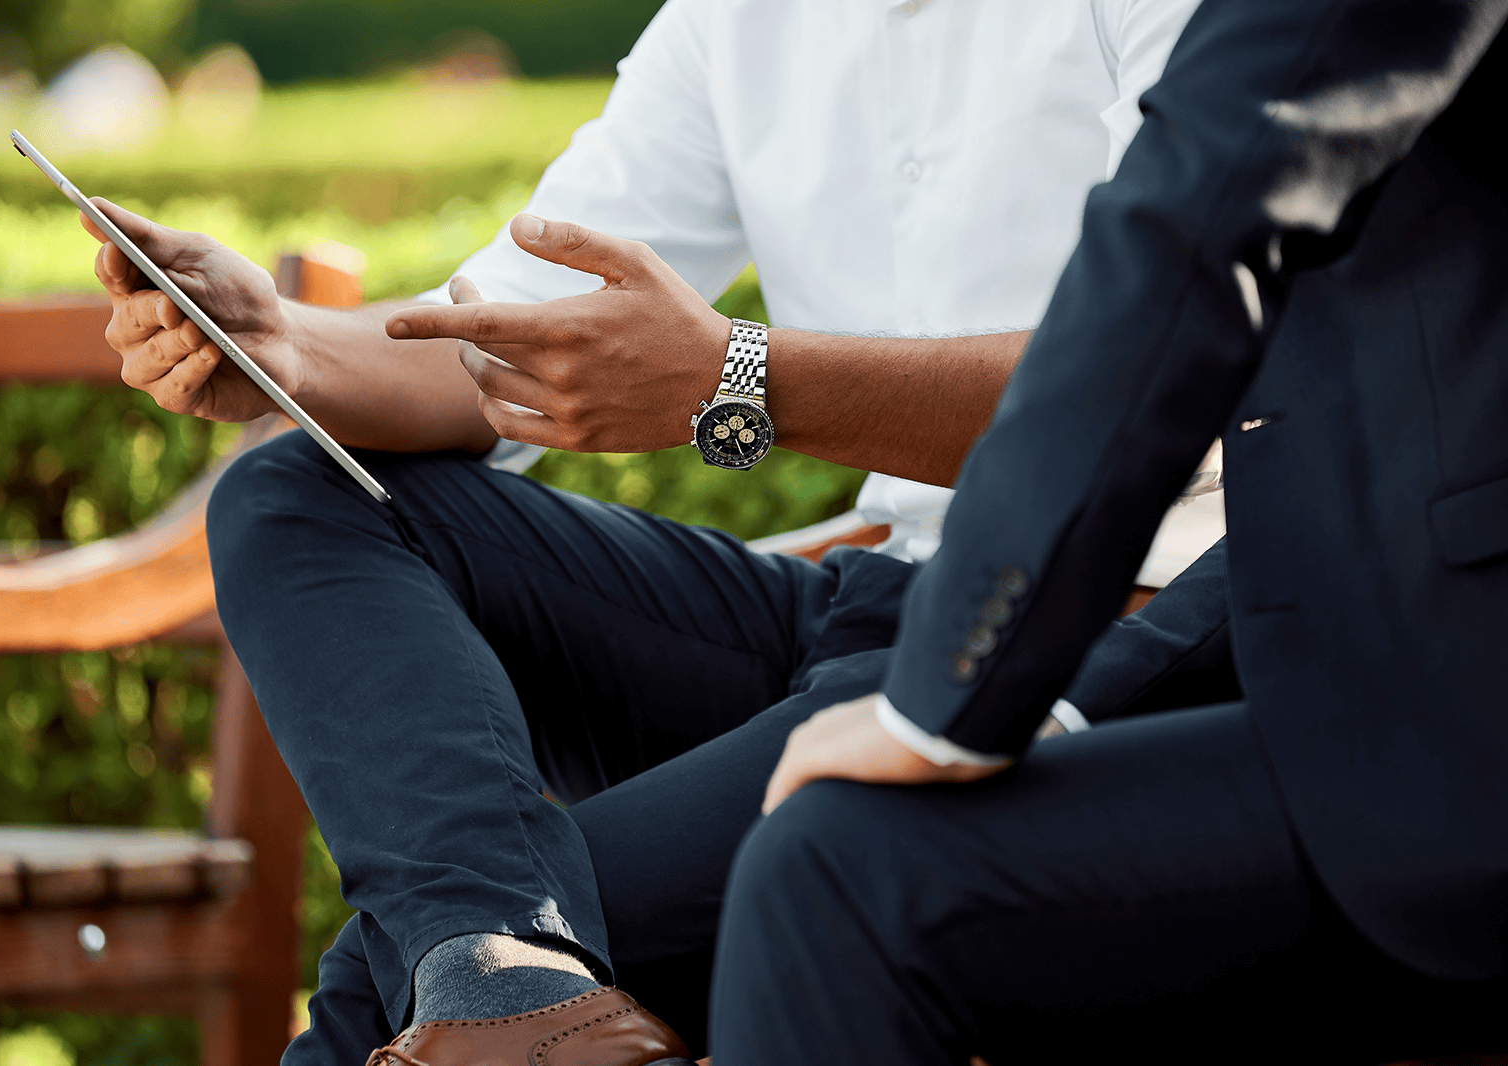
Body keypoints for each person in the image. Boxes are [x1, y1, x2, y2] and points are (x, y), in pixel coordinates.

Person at [84, 0, 1210, 1061]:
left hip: (1115, 629)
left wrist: (742, 377)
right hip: (870, 602)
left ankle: (499, 977)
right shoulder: (735, 22)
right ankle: (507, 971)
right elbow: (506, 334)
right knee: (294, 494)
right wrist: (283, 344)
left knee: (384, 989)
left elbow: (1171, 372)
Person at [704, 0, 1508, 1062]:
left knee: (837, 874)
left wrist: (944, 697)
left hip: (1453, 741)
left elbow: (1193, 220)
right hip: (1366, 683)